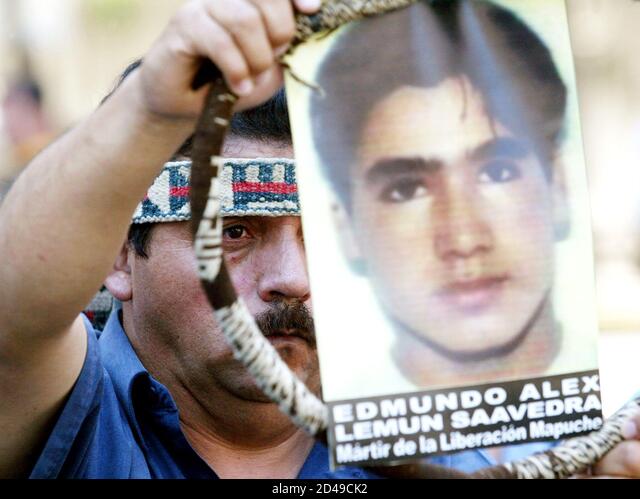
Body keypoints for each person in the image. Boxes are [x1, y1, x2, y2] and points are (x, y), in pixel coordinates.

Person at [0, 0, 638, 479]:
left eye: (320, 239)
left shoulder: (464, 435)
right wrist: (148, 105)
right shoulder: (59, 407)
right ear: (119, 251)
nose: (294, 279)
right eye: (236, 231)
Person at [309, 0, 584, 388]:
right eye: (406, 189)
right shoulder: (307, 430)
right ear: (347, 228)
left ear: (557, 186)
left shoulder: (628, 396)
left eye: (498, 171)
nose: (464, 240)